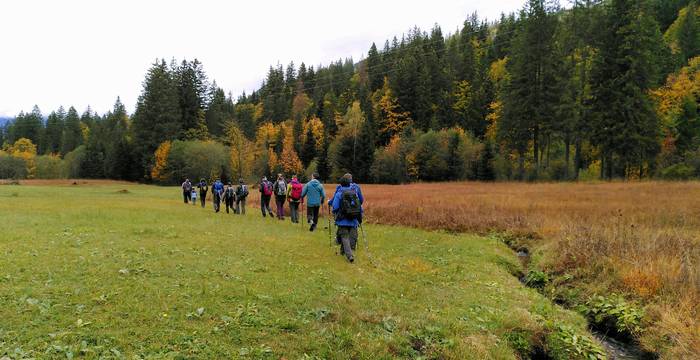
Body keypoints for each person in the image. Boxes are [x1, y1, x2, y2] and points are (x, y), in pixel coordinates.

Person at [331, 174, 363, 263]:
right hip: (353, 219)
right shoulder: (354, 193)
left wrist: (335, 213)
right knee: (351, 236)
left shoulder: (339, 193)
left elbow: (335, 207)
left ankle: (349, 256)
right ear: (350, 183)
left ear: (341, 184)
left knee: (344, 237)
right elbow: (359, 205)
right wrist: (360, 215)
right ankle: (343, 251)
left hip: (342, 220)